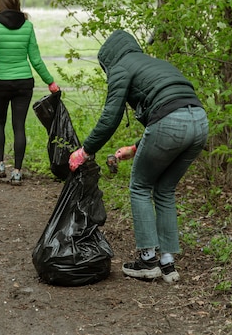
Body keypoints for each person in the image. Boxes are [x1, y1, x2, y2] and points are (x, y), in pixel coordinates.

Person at [68, 29, 209, 283]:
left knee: (140, 186)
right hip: (199, 122)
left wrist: (85, 150)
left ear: (108, 59)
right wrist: (134, 148)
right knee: (165, 189)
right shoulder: (157, 63)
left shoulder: (121, 68)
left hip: (171, 123)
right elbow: (173, 108)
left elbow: (111, 117)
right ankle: (167, 264)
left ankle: (147, 260)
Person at [0, 0, 60, 185]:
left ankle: (0, 165)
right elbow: (35, 59)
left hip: (0, 82)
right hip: (23, 83)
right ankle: (18, 172)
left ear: (0, 4)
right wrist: (50, 81)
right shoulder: (27, 26)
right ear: (16, 3)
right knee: (19, 126)